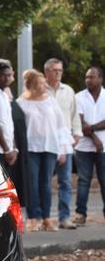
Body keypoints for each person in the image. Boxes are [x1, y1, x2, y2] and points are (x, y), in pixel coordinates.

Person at [16, 69, 72, 232]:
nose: (44, 85)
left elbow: (60, 126)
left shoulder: (51, 101)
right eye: (40, 83)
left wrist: (62, 149)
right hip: (31, 148)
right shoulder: (21, 102)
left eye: (44, 82)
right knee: (32, 183)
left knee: (45, 183)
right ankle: (33, 218)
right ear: (32, 85)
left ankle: (47, 218)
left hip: (50, 147)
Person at [44, 58, 81, 229]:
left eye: (60, 70)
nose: (57, 73)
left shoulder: (68, 91)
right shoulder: (40, 89)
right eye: (54, 70)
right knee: (44, 182)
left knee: (65, 182)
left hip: (65, 143)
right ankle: (43, 218)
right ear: (46, 72)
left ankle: (64, 217)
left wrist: (77, 134)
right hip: (46, 144)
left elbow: (74, 115)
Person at [73, 66, 105, 227]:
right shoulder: (79, 97)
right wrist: (95, 138)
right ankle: (81, 213)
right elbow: (79, 121)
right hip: (83, 147)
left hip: (104, 148)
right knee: (83, 180)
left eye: (92, 77)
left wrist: (91, 129)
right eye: (86, 77)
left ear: (100, 79)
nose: (88, 80)